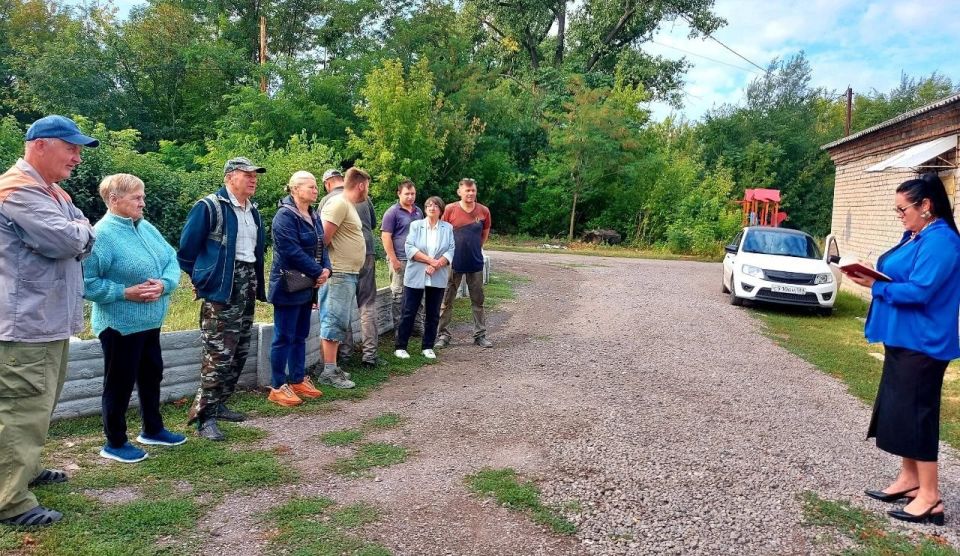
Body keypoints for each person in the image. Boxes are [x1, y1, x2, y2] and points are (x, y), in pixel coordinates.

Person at [0, 115, 98, 526]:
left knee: (39, 404)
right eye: (70, 147)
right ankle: (11, 500)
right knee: (21, 409)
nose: (77, 156)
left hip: (46, 320)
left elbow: (80, 234)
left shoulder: (52, 191)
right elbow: (67, 240)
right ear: (40, 145)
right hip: (25, 324)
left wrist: (79, 231)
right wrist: (79, 231)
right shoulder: (17, 190)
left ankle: (26, 469)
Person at [848, 173, 960, 526]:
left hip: (924, 344)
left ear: (926, 206)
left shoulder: (942, 241)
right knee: (899, 412)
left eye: (903, 209)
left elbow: (920, 291)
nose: (899, 215)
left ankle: (930, 497)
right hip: (904, 338)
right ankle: (910, 479)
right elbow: (899, 272)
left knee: (917, 415)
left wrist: (875, 287)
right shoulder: (917, 236)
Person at [83, 174, 187, 463]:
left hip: (151, 321)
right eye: (136, 197)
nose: (143, 201)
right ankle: (114, 442)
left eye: (143, 196)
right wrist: (124, 292)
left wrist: (165, 284)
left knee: (151, 375)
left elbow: (171, 259)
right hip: (119, 325)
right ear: (114, 199)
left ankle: (152, 429)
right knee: (119, 383)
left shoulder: (145, 227)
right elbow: (85, 282)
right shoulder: (101, 235)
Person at [178, 157, 267, 441]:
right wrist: (201, 280)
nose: (254, 179)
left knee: (240, 347)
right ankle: (204, 416)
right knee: (218, 353)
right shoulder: (209, 207)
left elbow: (255, 252)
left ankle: (220, 402)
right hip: (222, 288)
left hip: (247, 281)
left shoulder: (253, 211)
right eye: (247, 174)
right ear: (229, 177)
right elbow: (186, 252)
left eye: (256, 175)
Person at [267, 171, 331, 407]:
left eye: (316, 187)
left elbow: (321, 246)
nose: (315, 190)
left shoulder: (314, 215)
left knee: (300, 335)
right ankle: (276, 386)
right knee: (283, 336)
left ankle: (296, 379)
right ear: (295, 189)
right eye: (311, 187)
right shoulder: (284, 217)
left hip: (307, 285)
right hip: (288, 285)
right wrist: (318, 271)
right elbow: (290, 251)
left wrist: (327, 269)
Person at [319, 168, 382, 367]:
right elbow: (323, 238)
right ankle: (367, 355)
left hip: (351, 263)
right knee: (362, 305)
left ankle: (344, 356)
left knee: (343, 309)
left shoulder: (330, 201)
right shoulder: (343, 202)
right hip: (351, 264)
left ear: (328, 183)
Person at [394, 196, 454, 360]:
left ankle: (427, 346)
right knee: (409, 311)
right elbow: (409, 248)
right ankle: (400, 346)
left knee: (433, 313)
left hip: (437, 275)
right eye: (429, 205)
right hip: (416, 274)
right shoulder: (416, 226)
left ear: (441, 209)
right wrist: (429, 261)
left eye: (435, 205)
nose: (431, 208)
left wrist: (436, 265)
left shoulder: (447, 228)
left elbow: (450, 250)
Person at [436, 178, 493, 349]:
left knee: (478, 300)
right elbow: (442, 234)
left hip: (475, 263)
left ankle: (480, 335)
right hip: (453, 263)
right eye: (467, 190)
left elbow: (484, 234)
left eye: (473, 190)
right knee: (446, 300)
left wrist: (474, 249)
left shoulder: (484, 211)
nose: (470, 193)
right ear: (459, 192)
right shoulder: (449, 210)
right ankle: (443, 335)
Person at [382, 179, 425, 335]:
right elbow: (386, 237)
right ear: (399, 193)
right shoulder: (392, 212)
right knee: (399, 295)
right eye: (407, 194)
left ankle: (417, 326)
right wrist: (393, 259)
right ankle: (400, 329)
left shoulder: (419, 211)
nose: (410, 197)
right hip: (400, 259)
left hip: (418, 260)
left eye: (413, 194)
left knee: (418, 293)